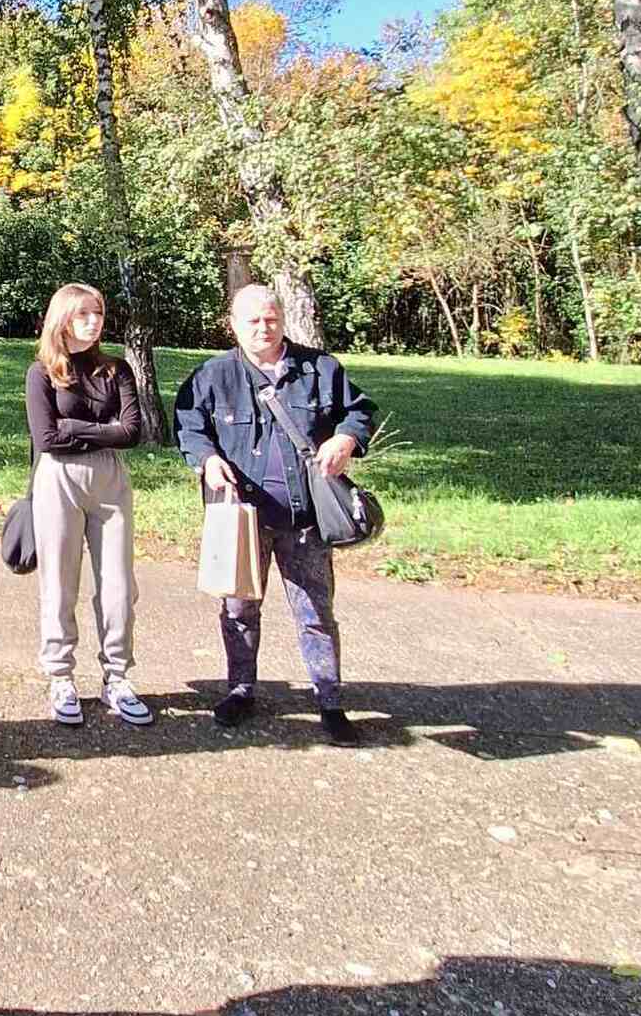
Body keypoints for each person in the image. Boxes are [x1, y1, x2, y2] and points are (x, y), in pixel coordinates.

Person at [173, 281, 378, 745]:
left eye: (271, 319)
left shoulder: (321, 369)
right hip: (240, 520)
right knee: (239, 609)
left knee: (316, 612)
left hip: (306, 520)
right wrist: (207, 460)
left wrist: (345, 439)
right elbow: (189, 428)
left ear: (283, 320)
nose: (263, 328)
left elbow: (359, 411)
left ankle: (330, 701)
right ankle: (241, 690)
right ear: (233, 325)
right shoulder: (211, 376)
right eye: (253, 320)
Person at [26, 284, 150, 730]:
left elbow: (132, 432)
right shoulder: (42, 373)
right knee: (59, 581)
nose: (94, 321)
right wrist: (101, 429)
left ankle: (117, 676)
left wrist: (73, 427)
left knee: (119, 584)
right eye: (83, 314)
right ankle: (60, 676)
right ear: (62, 319)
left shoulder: (116, 370)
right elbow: (47, 438)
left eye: (98, 313)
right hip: (58, 479)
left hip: (110, 480)